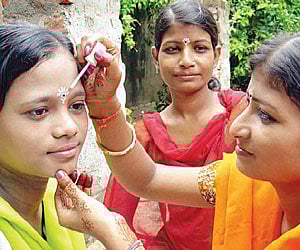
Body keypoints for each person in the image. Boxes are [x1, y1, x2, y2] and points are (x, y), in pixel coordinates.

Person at [56, 30, 300, 249]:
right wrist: (104, 104)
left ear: (216, 54)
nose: (237, 127)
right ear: (156, 57)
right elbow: (148, 179)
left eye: (266, 116)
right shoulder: (247, 183)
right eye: (249, 102)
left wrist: (114, 233)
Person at [103, 1, 246, 249]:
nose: (186, 61)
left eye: (200, 48)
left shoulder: (240, 115)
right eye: (173, 49)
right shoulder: (148, 134)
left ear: (217, 55)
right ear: (155, 56)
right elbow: (118, 214)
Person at [0, 22, 145, 250]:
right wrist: (113, 230)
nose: (69, 127)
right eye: (39, 111)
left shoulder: (59, 202)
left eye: (77, 105)